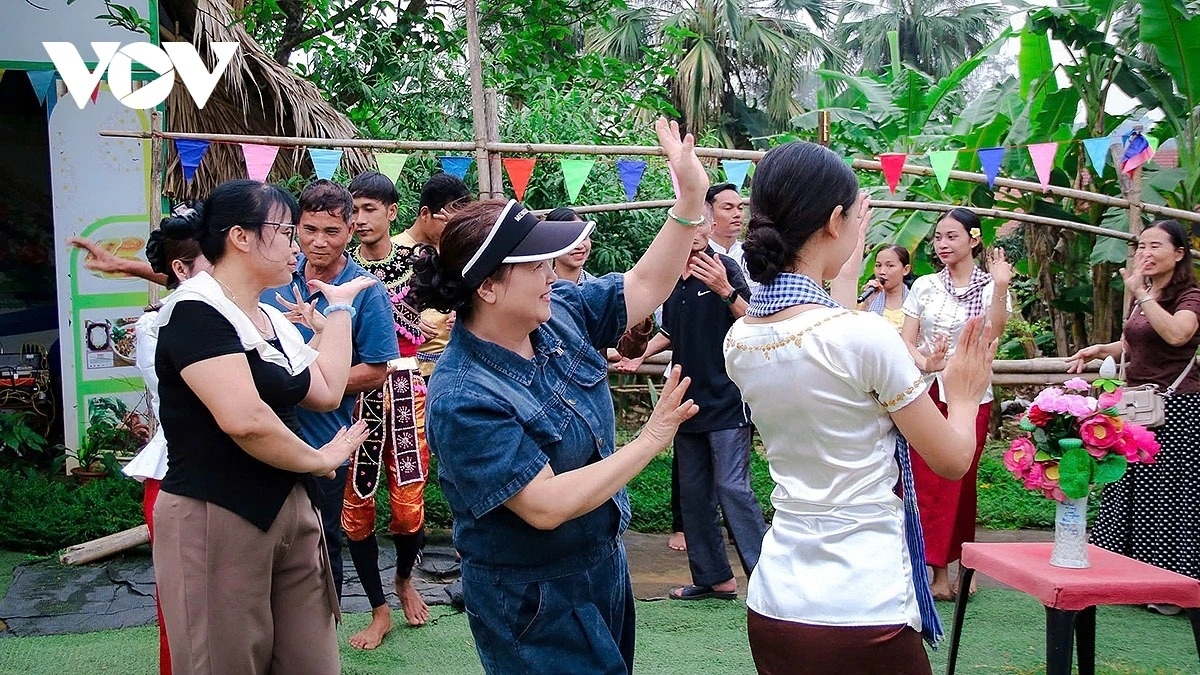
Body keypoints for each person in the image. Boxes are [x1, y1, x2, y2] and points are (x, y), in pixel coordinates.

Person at [410, 118, 706, 674]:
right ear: (489, 287)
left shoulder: (560, 314)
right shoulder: (462, 394)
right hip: (531, 595)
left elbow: (642, 287)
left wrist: (688, 201)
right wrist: (651, 439)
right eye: (537, 264)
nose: (553, 272)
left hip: (602, 564)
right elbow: (544, 507)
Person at [722, 140, 996, 673]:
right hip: (861, 603)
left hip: (776, 598)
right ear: (834, 221)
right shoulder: (862, 337)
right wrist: (962, 396)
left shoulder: (741, 340)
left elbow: (824, 335)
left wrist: (845, 267)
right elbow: (951, 459)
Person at [149, 179, 375, 675]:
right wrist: (319, 460)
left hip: (292, 508)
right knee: (225, 661)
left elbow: (328, 388)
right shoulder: (193, 311)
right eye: (288, 232)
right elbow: (245, 420)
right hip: (217, 513)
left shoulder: (269, 316)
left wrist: (337, 307)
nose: (300, 247)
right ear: (241, 237)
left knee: (311, 661)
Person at [262, 179, 400, 647]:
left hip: (326, 439)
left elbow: (379, 368)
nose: (318, 241)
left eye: (331, 231)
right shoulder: (277, 274)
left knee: (321, 544)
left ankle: (320, 641)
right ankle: (274, 635)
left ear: (350, 229)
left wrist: (309, 384)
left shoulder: (364, 290)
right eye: (308, 229)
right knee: (269, 536)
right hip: (267, 434)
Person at [616, 206, 766, 601]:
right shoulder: (671, 280)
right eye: (688, 223)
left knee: (733, 488)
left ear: (710, 227)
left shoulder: (726, 269)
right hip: (685, 399)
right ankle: (715, 578)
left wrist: (725, 289)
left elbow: (754, 319)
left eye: (701, 222)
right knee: (694, 494)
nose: (695, 230)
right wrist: (638, 354)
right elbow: (669, 331)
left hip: (728, 400)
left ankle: (770, 578)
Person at [1068, 220, 1200, 592]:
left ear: (1178, 254)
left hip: (1176, 410)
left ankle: (1172, 585)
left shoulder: (1190, 296)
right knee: (1130, 486)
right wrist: (1102, 349)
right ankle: (1129, 577)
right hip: (1135, 407)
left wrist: (1141, 296)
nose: (1146, 254)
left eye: (1156, 247)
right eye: (1142, 246)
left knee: (1169, 495)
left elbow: (1177, 333)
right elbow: (1138, 342)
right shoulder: (1145, 295)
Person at [335, 170, 438, 641]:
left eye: (369, 209)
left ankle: (403, 579)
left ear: (392, 212)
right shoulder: (340, 269)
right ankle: (378, 609)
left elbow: (438, 325)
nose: (359, 219)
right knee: (355, 507)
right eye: (352, 210)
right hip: (356, 395)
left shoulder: (422, 263)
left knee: (408, 508)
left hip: (408, 394)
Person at [900, 208, 1011, 600]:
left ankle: (961, 565)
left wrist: (999, 287)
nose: (943, 244)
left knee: (959, 481)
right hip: (927, 391)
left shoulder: (991, 286)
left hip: (971, 393)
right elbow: (907, 340)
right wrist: (924, 362)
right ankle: (932, 571)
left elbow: (994, 332)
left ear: (974, 239)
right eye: (938, 237)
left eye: (952, 236)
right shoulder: (925, 284)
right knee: (923, 480)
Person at [120, 211, 212, 675]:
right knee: (182, 611)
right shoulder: (159, 325)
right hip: (179, 478)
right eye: (214, 256)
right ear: (183, 269)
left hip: (221, 480)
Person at [392, 173, 472, 379]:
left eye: (459, 222)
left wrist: (466, 314)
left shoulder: (460, 250)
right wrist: (405, 321)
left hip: (457, 367)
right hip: (408, 370)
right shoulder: (393, 251)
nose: (453, 229)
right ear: (425, 213)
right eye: (447, 222)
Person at [858, 244, 912, 330]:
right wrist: (867, 303)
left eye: (890, 266)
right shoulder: (866, 299)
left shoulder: (915, 302)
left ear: (906, 270)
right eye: (878, 266)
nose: (882, 272)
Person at [547, 207, 595, 284]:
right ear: (551, 243)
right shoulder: (539, 289)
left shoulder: (599, 290)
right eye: (571, 239)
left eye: (583, 237)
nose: (580, 246)